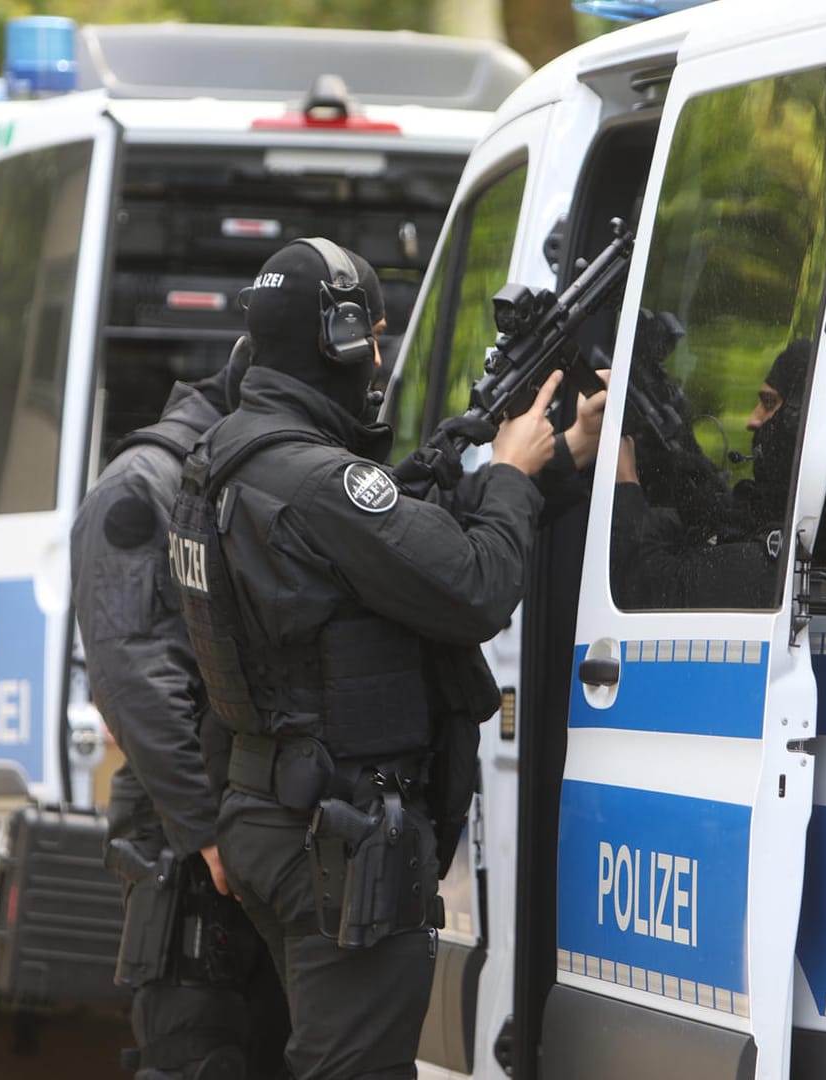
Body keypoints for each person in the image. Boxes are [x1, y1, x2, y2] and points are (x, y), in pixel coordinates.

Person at [169, 236, 601, 1080]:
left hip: (269, 812)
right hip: (337, 838)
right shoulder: (317, 482)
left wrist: (545, 466)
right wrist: (509, 475)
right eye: (371, 333)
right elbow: (474, 585)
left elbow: (395, 554)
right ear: (337, 342)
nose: (377, 354)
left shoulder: (223, 463)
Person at [70, 340, 292, 1080]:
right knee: (201, 1057)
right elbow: (135, 680)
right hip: (190, 842)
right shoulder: (145, 484)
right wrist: (206, 832)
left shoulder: (240, 475)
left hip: (248, 824)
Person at [610, 338, 810, 610]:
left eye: (769, 402)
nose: (752, 420)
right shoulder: (785, 515)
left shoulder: (768, 561)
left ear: (798, 420)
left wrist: (625, 481)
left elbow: (643, 587)